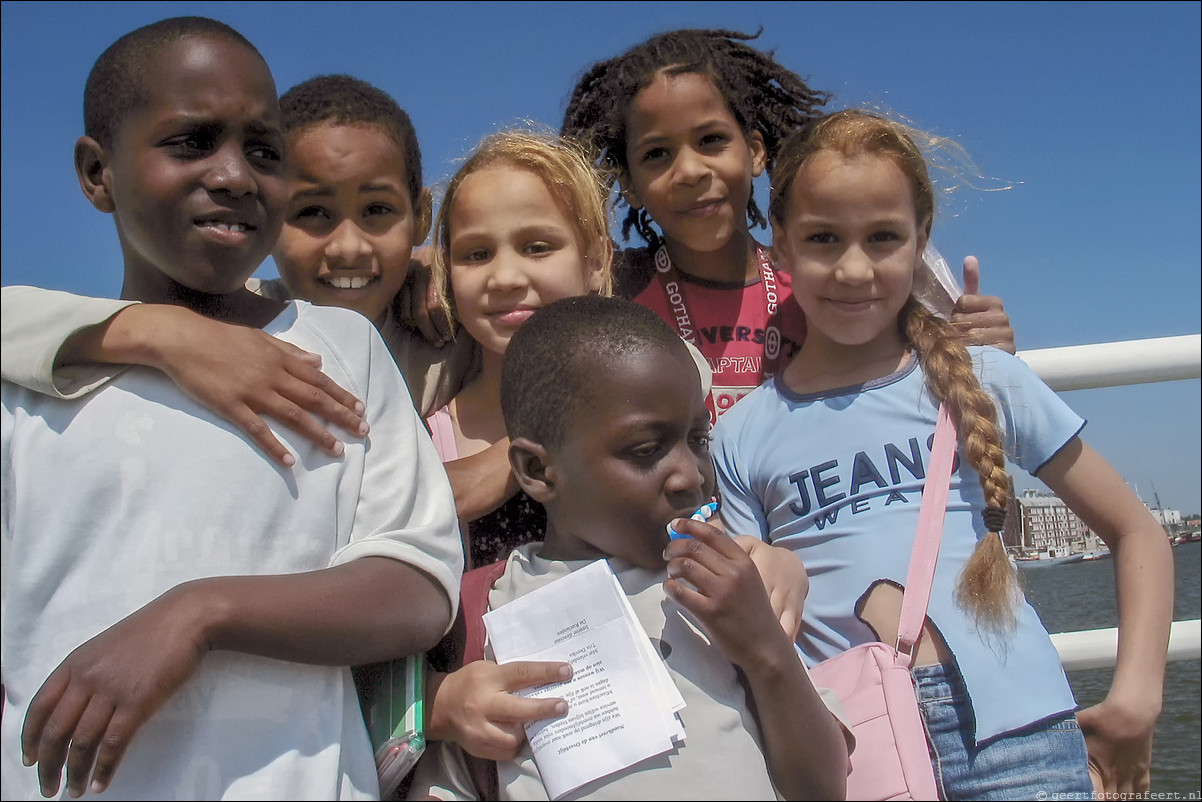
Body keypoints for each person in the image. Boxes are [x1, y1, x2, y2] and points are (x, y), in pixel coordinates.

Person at [0, 17, 463, 800]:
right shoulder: (31, 378)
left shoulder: (338, 348)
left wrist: (199, 614)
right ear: (96, 171)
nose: (235, 175)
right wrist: (150, 331)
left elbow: (417, 586)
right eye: (190, 142)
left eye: (263, 150)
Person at [711, 108, 1174, 800]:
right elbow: (751, 617)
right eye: (823, 238)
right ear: (777, 244)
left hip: (1024, 739)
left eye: (884, 238)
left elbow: (1136, 528)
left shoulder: (988, 380)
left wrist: (1136, 698)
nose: (854, 267)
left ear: (921, 240)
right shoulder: (742, 431)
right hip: (853, 744)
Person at [408, 294, 849, 801]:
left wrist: (766, 651)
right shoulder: (480, 616)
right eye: (645, 450)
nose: (689, 475)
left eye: (698, 440)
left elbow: (824, 788)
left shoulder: (728, 590)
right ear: (536, 471)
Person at [0, 73, 476, 467]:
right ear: (267, 217)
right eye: (312, 213)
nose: (348, 246)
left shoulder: (447, 339)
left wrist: (454, 268)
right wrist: (163, 331)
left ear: (420, 218)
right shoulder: (229, 318)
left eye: (377, 211)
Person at [560, 28, 1016, 423]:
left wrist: (976, 346)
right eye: (656, 154)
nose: (691, 171)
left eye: (711, 140)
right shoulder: (611, 296)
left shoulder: (827, 283)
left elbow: (912, 372)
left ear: (755, 152)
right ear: (630, 186)